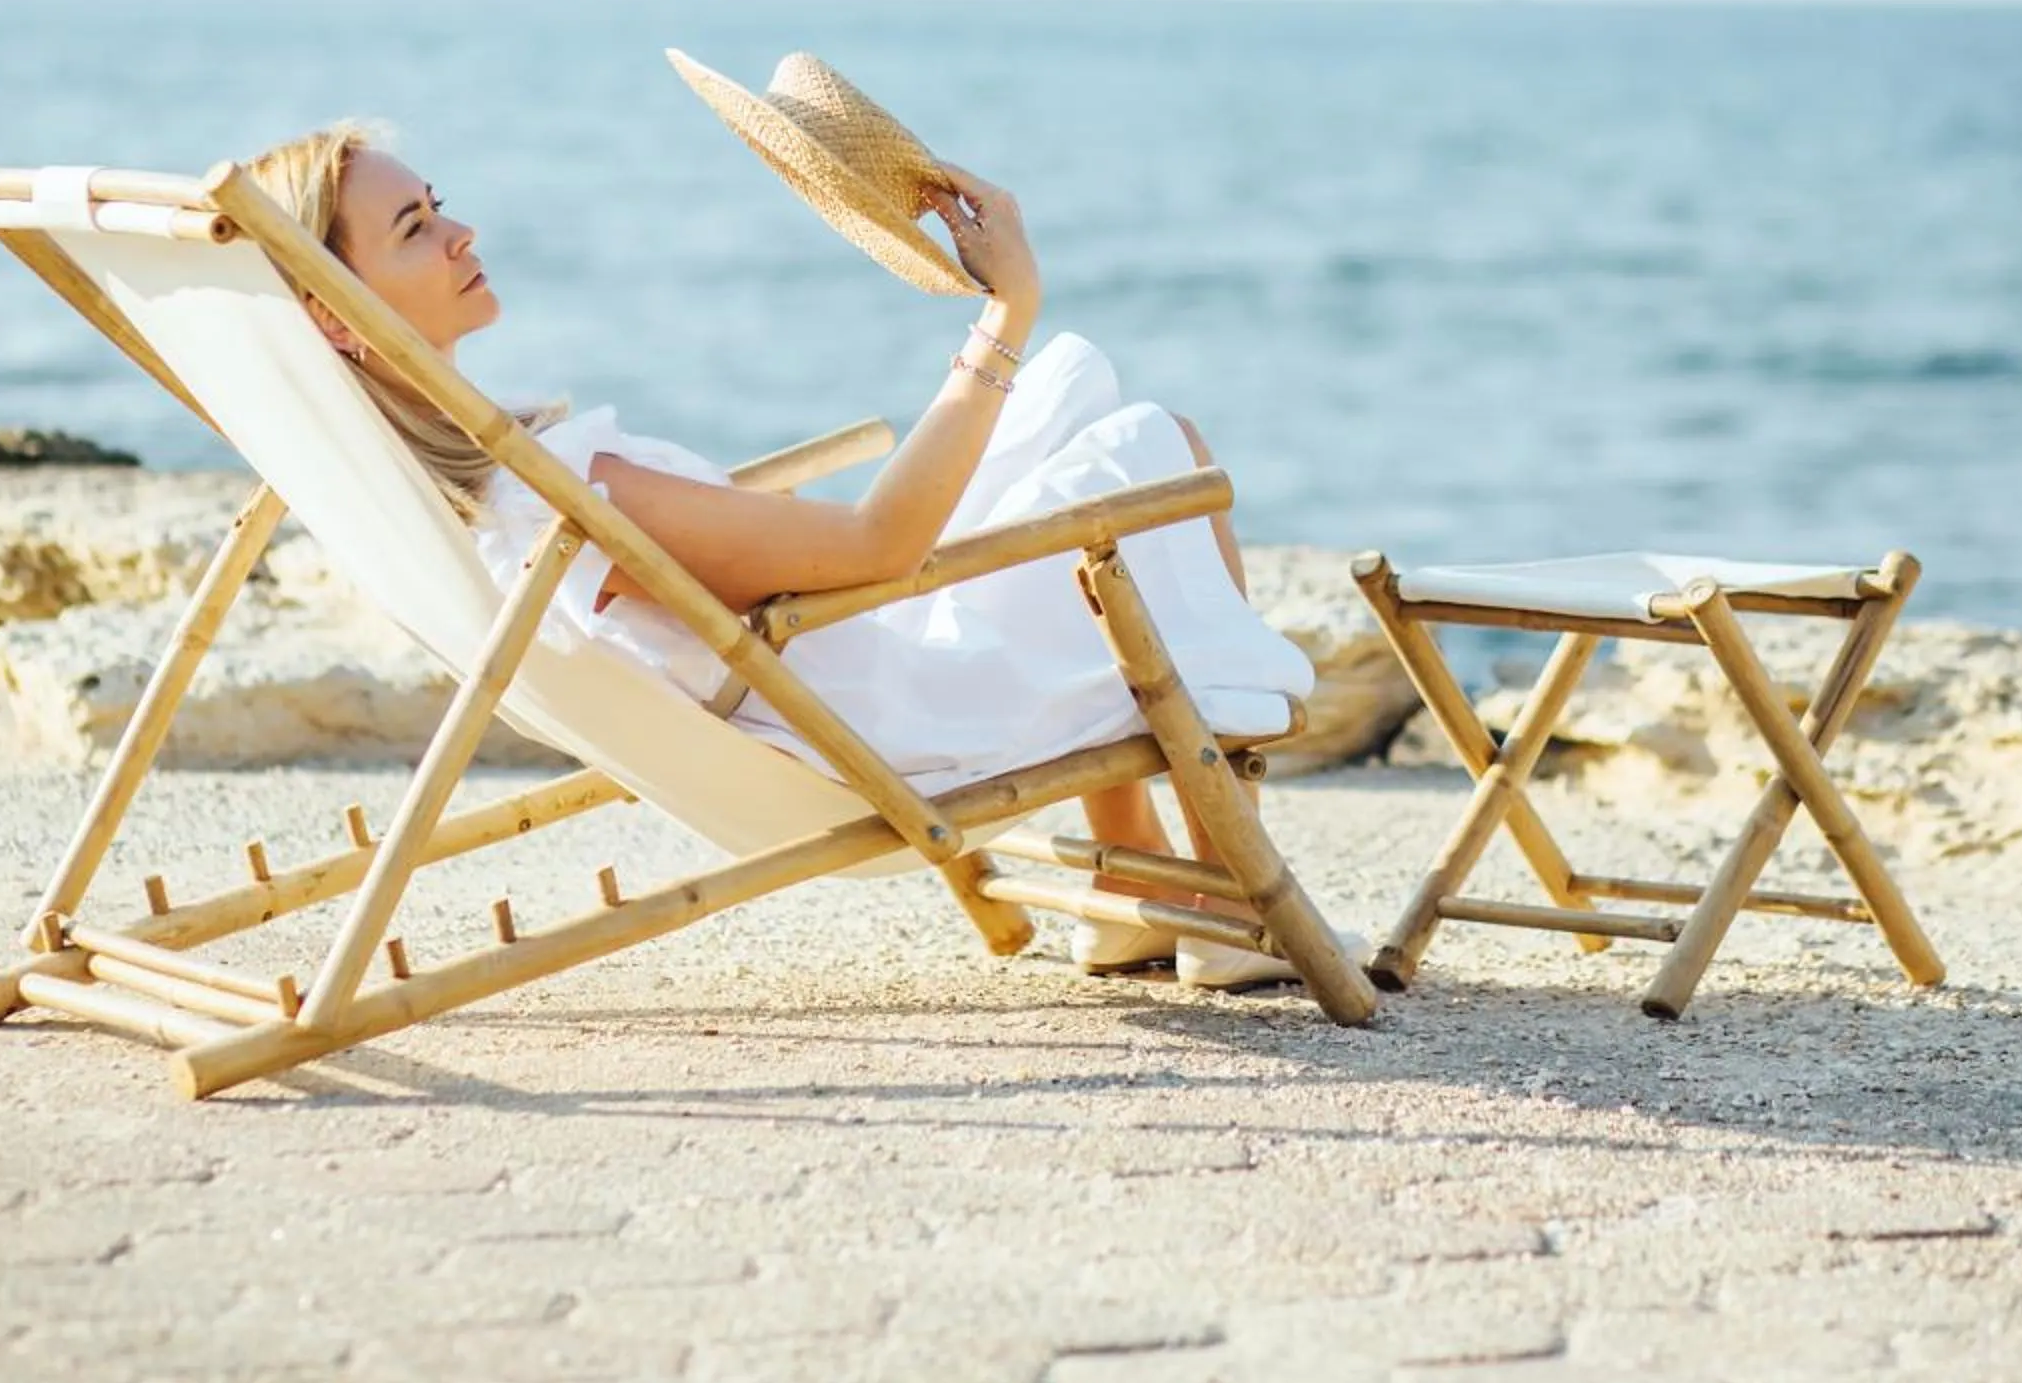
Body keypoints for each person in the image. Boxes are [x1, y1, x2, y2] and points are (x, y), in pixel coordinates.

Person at [245, 120, 1339, 990]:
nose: (460, 232)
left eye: (436, 206)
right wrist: (1005, 309)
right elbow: (881, 543)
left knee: (1062, 405)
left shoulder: (482, 497)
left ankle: (1138, 869)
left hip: (832, 676)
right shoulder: (569, 491)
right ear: (338, 319)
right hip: (900, 712)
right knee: (1156, 452)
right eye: (413, 229)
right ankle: (1221, 895)